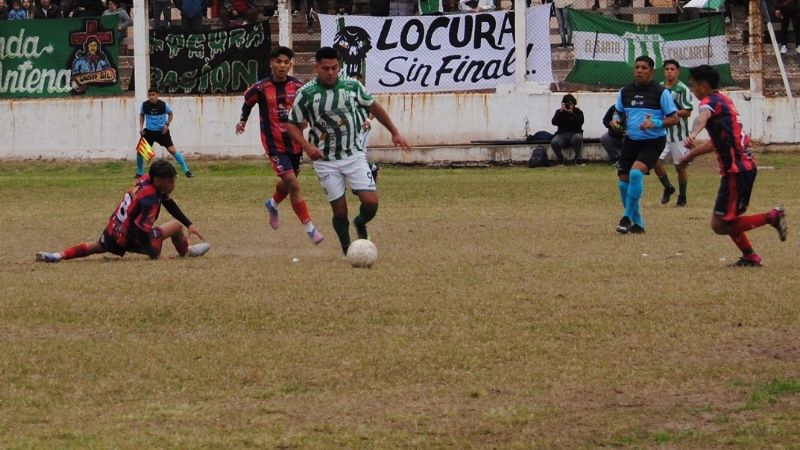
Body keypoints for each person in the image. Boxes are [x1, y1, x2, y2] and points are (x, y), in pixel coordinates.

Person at [286, 46, 411, 256]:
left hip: (353, 154)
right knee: (340, 210)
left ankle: (360, 223)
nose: (331, 72)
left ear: (339, 67)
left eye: (335, 67)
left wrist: (394, 132)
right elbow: (291, 124)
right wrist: (307, 147)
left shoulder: (352, 86)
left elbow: (374, 108)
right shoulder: (305, 93)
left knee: (371, 204)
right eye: (325, 68)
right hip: (325, 160)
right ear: (316, 68)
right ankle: (347, 249)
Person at [680, 64, 787, 267]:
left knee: (720, 224)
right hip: (741, 169)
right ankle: (750, 257)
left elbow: (701, 117)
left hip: (737, 171)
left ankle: (772, 217)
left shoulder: (709, 102)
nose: (692, 89)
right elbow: (716, 142)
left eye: (693, 85)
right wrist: (690, 156)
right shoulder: (723, 100)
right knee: (728, 219)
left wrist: (693, 134)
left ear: (703, 86)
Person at [36, 159, 210, 263]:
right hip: (133, 237)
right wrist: (155, 256)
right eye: (171, 181)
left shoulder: (145, 180)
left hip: (114, 232)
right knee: (176, 227)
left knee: (96, 247)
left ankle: (56, 256)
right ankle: (186, 252)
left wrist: (191, 224)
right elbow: (142, 231)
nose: (173, 185)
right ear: (158, 181)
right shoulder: (150, 200)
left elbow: (168, 203)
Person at [236, 46, 324, 245]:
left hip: (295, 143)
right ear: (271, 63)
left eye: (286, 62)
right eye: (278, 61)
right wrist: (242, 120)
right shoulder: (260, 88)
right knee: (293, 184)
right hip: (274, 144)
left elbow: (307, 109)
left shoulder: (299, 87)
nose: (282, 66)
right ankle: (310, 229)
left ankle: (273, 203)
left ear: (291, 64)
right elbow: (248, 103)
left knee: (287, 183)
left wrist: (305, 120)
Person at [610, 55, 679, 234]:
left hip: (653, 141)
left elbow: (674, 118)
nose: (639, 70)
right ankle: (638, 223)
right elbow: (618, 113)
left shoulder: (661, 92)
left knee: (634, 174)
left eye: (644, 68)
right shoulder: (625, 92)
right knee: (623, 181)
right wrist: (616, 121)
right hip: (631, 141)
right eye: (637, 67)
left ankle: (626, 218)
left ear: (652, 71)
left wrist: (654, 123)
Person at [653, 59, 693, 207]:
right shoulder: (659, 88)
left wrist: (672, 112)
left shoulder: (682, 89)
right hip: (661, 133)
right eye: (667, 69)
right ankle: (668, 187)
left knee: (680, 166)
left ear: (678, 71)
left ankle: (682, 196)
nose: (669, 71)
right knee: (654, 160)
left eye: (672, 69)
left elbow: (688, 111)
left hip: (679, 135)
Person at [139, 88, 193, 178]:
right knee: (140, 152)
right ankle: (139, 173)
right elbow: (141, 115)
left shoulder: (163, 105)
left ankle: (186, 171)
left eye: (153, 95)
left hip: (162, 132)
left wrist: (167, 125)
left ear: (157, 95)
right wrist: (141, 127)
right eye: (150, 95)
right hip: (149, 132)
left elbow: (171, 114)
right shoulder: (145, 105)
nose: (151, 97)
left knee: (172, 150)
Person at [349, 72, 381, 183]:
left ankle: (372, 170)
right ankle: (369, 171)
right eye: (353, 79)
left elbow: (375, 110)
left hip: (363, 128)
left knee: (359, 153)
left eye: (357, 79)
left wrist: (367, 120)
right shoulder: (347, 94)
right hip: (351, 129)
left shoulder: (364, 93)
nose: (355, 81)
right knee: (352, 153)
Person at [550, 93, 585, 166]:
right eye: (567, 104)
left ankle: (578, 159)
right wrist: (560, 112)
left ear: (574, 104)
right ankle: (560, 159)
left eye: (571, 104)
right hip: (561, 135)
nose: (569, 106)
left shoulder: (578, 111)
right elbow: (553, 122)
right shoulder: (559, 112)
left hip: (575, 134)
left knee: (578, 138)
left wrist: (572, 113)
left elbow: (580, 122)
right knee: (554, 142)